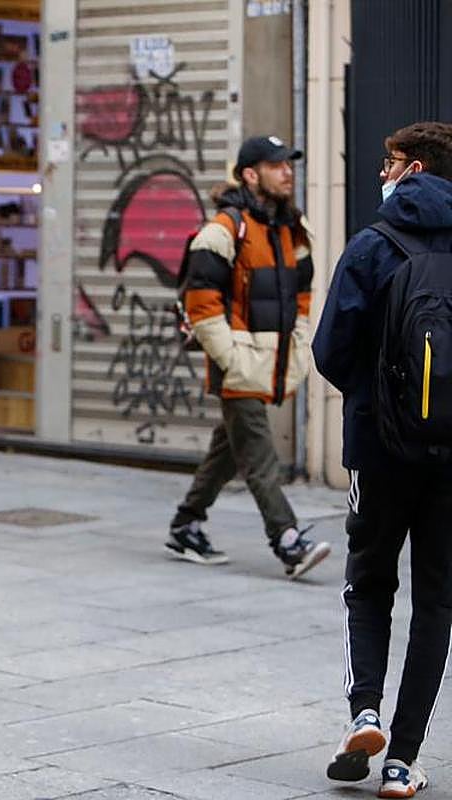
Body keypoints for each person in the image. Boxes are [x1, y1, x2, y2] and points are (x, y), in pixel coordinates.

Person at [313, 121, 452, 798]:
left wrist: (375, 398)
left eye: (388, 163)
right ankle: (402, 762)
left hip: (378, 448)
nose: (380, 175)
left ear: (414, 169)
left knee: (368, 587)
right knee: (437, 603)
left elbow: (329, 350)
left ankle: (363, 711)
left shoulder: (373, 245)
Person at [166, 135, 331, 578]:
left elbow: (302, 292)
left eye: (290, 165)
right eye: (277, 166)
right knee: (259, 453)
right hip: (239, 362)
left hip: (269, 361)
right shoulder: (224, 229)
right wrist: (232, 358)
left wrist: (297, 338)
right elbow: (201, 304)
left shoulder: (291, 228)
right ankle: (288, 540)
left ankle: (186, 525)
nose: (288, 173)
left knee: (229, 447)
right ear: (250, 174)